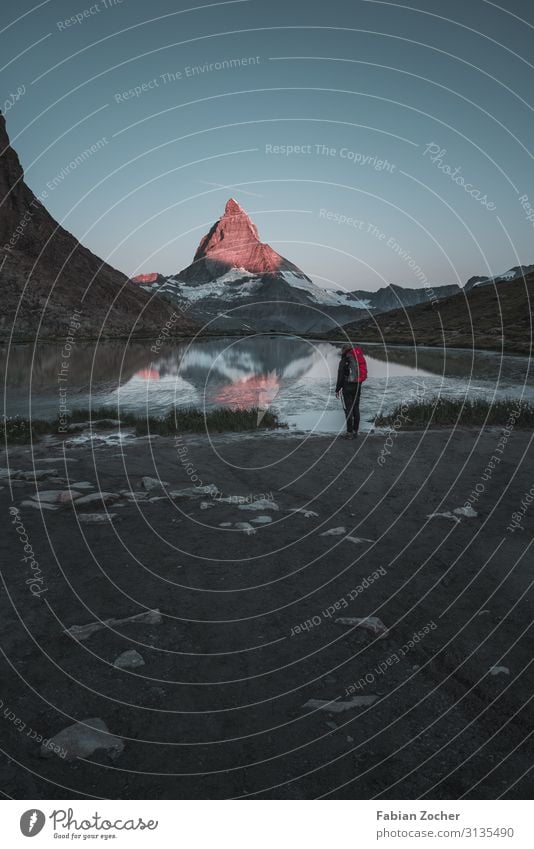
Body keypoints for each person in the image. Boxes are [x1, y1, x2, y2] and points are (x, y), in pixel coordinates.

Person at [335, 343, 368, 439]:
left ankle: (349, 433)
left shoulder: (345, 359)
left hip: (347, 386)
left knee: (348, 409)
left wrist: (337, 389)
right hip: (358, 385)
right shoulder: (357, 358)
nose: (341, 352)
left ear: (344, 350)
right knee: (356, 408)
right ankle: (355, 431)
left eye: (342, 350)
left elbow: (340, 376)